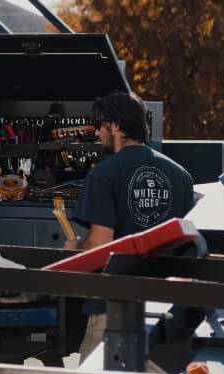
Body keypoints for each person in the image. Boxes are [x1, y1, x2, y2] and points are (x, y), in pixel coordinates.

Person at [68, 90, 195, 359]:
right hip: (162, 309)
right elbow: (188, 243)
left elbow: (100, 243)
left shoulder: (103, 175)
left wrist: (76, 246)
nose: (97, 132)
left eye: (100, 125)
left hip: (112, 305)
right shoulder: (181, 175)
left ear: (115, 126)